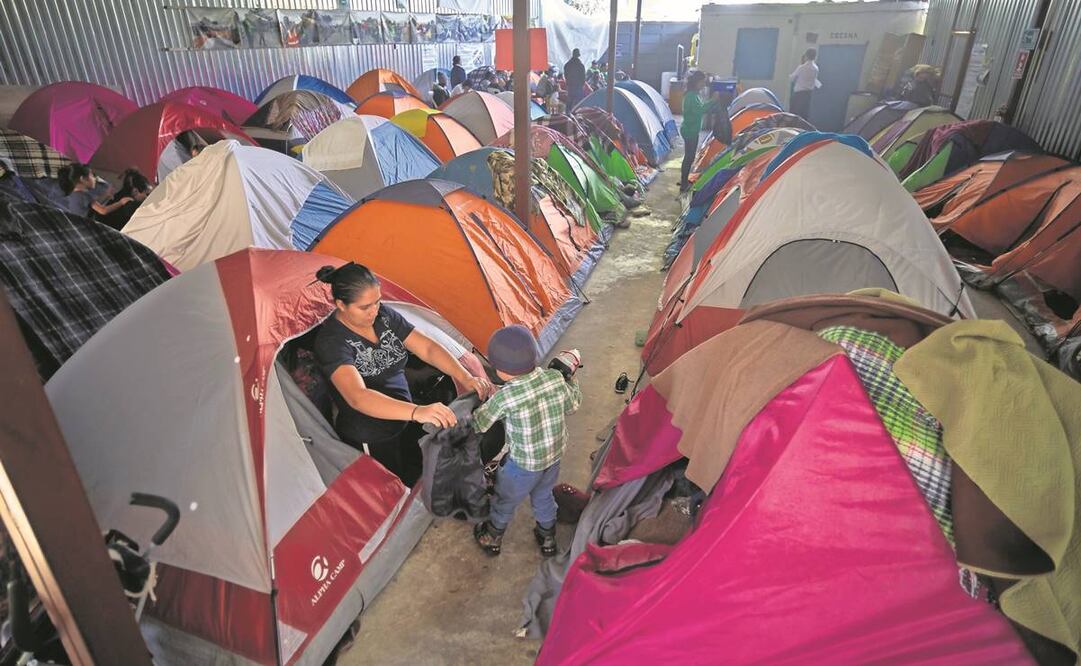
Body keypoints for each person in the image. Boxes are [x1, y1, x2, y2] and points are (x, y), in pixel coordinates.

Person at [314, 263, 494, 484]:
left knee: (417, 473)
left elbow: (427, 348)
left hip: (403, 414)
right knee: (390, 484)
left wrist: (465, 376)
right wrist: (417, 411)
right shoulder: (332, 342)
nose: (374, 311)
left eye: (377, 301)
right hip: (371, 433)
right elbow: (357, 397)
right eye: (364, 307)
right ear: (341, 304)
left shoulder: (384, 317)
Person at [472, 325, 582, 557]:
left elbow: (480, 423)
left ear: (500, 370)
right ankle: (547, 538)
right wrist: (572, 381)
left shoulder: (506, 396)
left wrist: (470, 411)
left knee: (505, 500)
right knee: (543, 495)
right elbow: (573, 404)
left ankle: (492, 537)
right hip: (552, 458)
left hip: (522, 465)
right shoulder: (554, 378)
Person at [679, 71, 721, 192]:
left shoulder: (694, 95)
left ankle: (684, 180)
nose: (704, 85)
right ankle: (683, 184)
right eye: (702, 82)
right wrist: (713, 100)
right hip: (690, 131)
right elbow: (700, 110)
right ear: (696, 82)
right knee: (689, 157)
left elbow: (701, 108)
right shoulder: (692, 96)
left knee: (689, 157)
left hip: (691, 129)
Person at [57, 163, 133, 219]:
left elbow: (93, 205)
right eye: (92, 175)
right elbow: (103, 210)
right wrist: (121, 202)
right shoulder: (83, 195)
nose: (95, 178)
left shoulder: (73, 195)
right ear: (83, 179)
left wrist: (106, 195)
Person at [789, 48, 820, 121]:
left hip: (799, 94)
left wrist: (789, 75)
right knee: (804, 114)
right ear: (815, 57)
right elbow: (814, 80)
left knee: (794, 114)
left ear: (806, 56)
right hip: (808, 94)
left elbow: (792, 78)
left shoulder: (802, 67)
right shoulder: (816, 68)